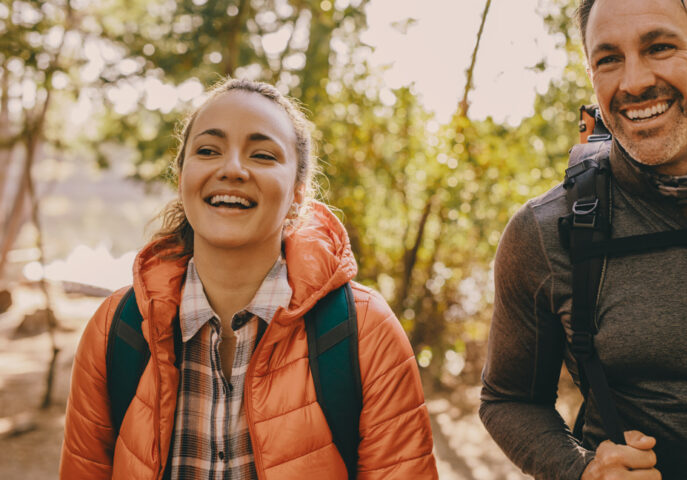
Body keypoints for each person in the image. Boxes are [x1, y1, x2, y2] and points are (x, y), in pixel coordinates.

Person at [480, 0, 687, 479]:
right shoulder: (547, 232)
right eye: (608, 58)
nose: (633, 82)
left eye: (660, 47)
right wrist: (583, 470)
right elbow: (508, 400)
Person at [60, 78, 438, 479]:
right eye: (208, 150)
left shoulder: (365, 331)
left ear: (298, 192)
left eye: (262, 155)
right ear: (182, 175)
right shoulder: (116, 329)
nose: (232, 169)